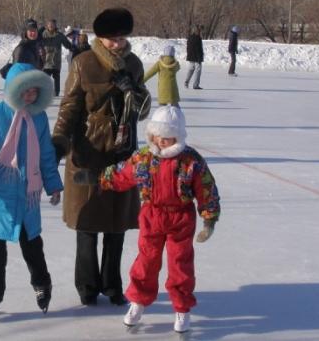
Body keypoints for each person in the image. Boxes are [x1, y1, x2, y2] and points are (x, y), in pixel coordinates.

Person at [75, 106, 220, 333]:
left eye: (168, 137)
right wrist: (97, 177)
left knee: (180, 263)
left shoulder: (191, 160)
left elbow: (206, 188)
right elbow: (122, 174)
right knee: (146, 261)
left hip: (180, 217)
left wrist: (209, 219)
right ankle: (138, 302)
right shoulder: (144, 158)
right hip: (152, 215)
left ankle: (182, 308)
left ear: (178, 136)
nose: (162, 141)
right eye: (158, 136)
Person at [52, 7, 151, 306]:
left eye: (121, 39)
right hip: (88, 152)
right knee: (88, 226)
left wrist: (133, 91)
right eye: (112, 39)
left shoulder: (133, 64)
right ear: (101, 38)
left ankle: (112, 285)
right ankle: (87, 287)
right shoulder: (84, 62)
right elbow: (69, 107)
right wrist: (59, 140)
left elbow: (144, 109)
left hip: (122, 154)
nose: (117, 44)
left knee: (116, 226)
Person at [0, 63, 63, 319]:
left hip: (28, 195)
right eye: (24, 91)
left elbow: (46, 155)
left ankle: (42, 284)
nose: (29, 96)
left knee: (32, 245)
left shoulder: (39, 118)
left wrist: (54, 184)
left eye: (34, 91)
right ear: (12, 89)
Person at [42, 19, 73, 96]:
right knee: (45, 79)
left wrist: (75, 48)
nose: (51, 26)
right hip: (46, 62)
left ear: (55, 25)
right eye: (49, 24)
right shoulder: (43, 35)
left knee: (57, 78)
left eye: (52, 24)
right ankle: (44, 93)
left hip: (56, 62)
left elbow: (67, 44)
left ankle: (56, 93)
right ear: (47, 25)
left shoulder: (59, 35)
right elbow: (37, 44)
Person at [184, 25, 204, 90]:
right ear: (197, 31)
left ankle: (186, 82)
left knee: (191, 69)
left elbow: (188, 48)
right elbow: (198, 49)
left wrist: (189, 55)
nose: (200, 32)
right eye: (199, 30)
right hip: (196, 57)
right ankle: (195, 85)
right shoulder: (198, 38)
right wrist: (199, 58)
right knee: (198, 70)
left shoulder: (189, 37)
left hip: (191, 56)